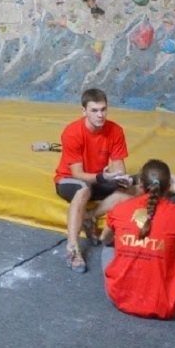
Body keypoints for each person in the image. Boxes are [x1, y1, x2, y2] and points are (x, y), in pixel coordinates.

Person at [100, 159, 175, 319]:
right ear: (169, 186)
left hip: (119, 298)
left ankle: (125, 281)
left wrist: (129, 244)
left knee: (107, 245)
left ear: (140, 185)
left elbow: (104, 238)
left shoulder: (121, 208)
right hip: (162, 304)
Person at [54, 88, 134, 273]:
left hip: (99, 178)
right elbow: (77, 173)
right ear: (84, 112)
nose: (100, 115)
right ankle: (72, 248)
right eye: (94, 110)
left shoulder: (115, 130)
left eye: (103, 109)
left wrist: (121, 177)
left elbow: (118, 165)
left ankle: (88, 217)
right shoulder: (72, 132)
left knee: (136, 188)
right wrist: (102, 177)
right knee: (83, 189)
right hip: (69, 180)